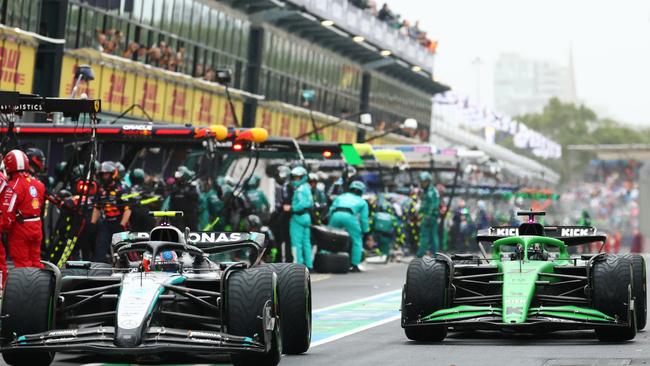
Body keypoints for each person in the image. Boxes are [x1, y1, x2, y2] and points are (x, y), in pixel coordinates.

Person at [1, 150, 46, 272]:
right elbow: (39, 204)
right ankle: (41, 287)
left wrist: (4, 227)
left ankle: (26, 289)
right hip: (37, 225)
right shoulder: (38, 184)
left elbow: (8, 212)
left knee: (22, 264)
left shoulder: (13, 186)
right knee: (36, 260)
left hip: (20, 228)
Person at [91, 161, 131, 262]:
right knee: (100, 248)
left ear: (113, 174)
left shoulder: (122, 188)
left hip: (119, 224)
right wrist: (92, 223)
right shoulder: (101, 190)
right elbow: (97, 207)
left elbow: (128, 209)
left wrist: (122, 225)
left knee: (121, 249)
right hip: (106, 223)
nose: (104, 176)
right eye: (102, 174)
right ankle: (97, 269)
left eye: (106, 174)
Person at [328, 181, 369, 272]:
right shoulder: (362, 202)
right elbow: (364, 219)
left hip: (336, 215)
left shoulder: (341, 196)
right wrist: (365, 231)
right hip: (349, 216)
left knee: (329, 237)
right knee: (357, 241)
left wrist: (329, 225)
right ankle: (354, 265)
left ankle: (325, 257)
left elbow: (331, 210)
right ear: (361, 192)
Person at [289, 166, 314, 269]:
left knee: (296, 244)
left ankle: (297, 266)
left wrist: (292, 208)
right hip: (306, 217)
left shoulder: (300, 189)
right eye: (295, 177)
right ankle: (309, 265)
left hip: (298, 218)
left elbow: (304, 203)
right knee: (306, 243)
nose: (296, 179)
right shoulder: (307, 187)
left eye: (298, 177)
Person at [167, 166, 200, 231]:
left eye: (180, 176)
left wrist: (185, 192)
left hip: (189, 216)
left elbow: (196, 198)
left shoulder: (192, 186)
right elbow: (172, 202)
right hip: (177, 217)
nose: (178, 178)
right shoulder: (175, 188)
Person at [416, 172, 440, 257]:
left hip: (429, 217)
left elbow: (434, 205)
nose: (421, 184)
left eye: (423, 182)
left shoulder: (431, 192)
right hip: (430, 217)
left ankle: (420, 254)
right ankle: (434, 254)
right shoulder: (428, 191)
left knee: (425, 236)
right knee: (433, 236)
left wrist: (427, 215)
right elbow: (424, 204)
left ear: (428, 181)